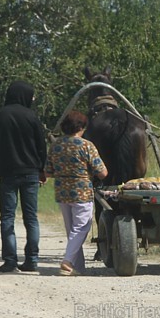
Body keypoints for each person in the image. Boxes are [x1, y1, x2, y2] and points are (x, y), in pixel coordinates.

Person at [0, 80, 47, 273]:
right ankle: (32, 260)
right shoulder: (32, 117)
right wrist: (42, 170)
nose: (33, 99)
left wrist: (1, 160)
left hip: (8, 173)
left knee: (7, 218)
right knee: (31, 218)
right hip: (31, 173)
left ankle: (10, 261)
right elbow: (41, 147)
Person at [45, 110, 108, 276]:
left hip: (62, 192)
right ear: (80, 127)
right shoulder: (86, 145)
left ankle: (77, 268)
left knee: (71, 230)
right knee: (81, 228)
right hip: (81, 192)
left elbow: (48, 172)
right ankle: (67, 261)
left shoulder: (55, 145)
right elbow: (103, 173)